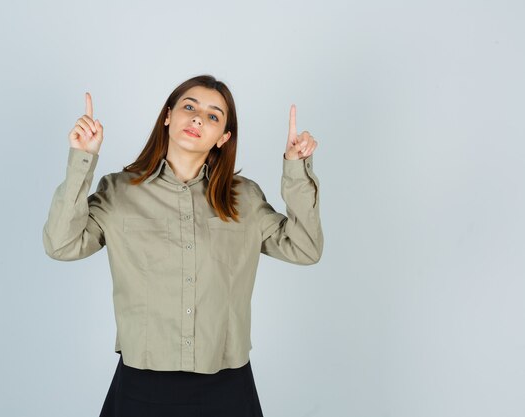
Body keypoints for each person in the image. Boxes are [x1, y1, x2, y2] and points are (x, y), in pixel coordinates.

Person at [42, 74, 324, 416]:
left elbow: (305, 248)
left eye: (213, 115)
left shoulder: (244, 199)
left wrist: (296, 170)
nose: (197, 118)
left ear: (223, 137)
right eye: (189, 107)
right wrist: (82, 160)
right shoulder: (119, 191)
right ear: (168, 116)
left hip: (227, 385)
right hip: (142, 386)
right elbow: (61, 245)